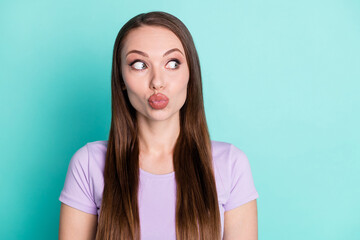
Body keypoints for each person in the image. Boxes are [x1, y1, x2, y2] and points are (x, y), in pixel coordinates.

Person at [58, 11, 259, 240]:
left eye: (172, 63)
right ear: (121, 79)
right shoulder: (88, 164)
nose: (157, 82)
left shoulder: (231, 165)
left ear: (190, 73)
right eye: (140, 64)